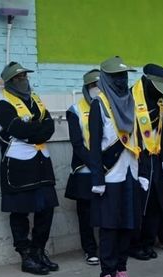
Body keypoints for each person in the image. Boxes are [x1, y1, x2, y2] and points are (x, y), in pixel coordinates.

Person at [0, 62, 59, 276]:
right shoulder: (4, 105)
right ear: (9, 82)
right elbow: (17, 128)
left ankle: (38, 250)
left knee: (46, 208)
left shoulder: (36, 101)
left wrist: (34, 132)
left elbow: (49, 127)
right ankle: (25, 255)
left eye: (24, 76)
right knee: (20, 211)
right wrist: (36, 131)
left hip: (41, 164)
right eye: (18, 78)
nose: (23, 80)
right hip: (19, 168)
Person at [88, 56, 142, 277]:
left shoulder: (130, 101)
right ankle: (106, 276)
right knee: (109, 227)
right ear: (107, 79)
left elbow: (136, 137)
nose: (122, 80)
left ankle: (121, 268)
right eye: (117, 76)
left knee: (127, 225)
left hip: (130, 172)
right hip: (110, 176)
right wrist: (97, 178)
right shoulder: (98, 105)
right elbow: (94, 148)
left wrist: (141, 172)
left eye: (125, 76)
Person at [128, 64, 163, 260]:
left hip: (157, 156)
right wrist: (137, 164)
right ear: (147, 82)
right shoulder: (131, 98)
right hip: (139, 156)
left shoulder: (162, 99)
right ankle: (134, 244)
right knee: (140, 203)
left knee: (157, 200)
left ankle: (148, 241)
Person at [64, 69, 101, 266]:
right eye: (94, 87)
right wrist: (95, 163)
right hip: (85, 170)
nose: (98, 90)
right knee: (85, 213)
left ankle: (109, 247)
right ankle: (90, 249)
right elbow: (77, 143)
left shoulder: (110, 108)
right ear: (86, 89)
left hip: (109, 169)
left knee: (107, 211)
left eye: (100, 86)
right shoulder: (75, 110)